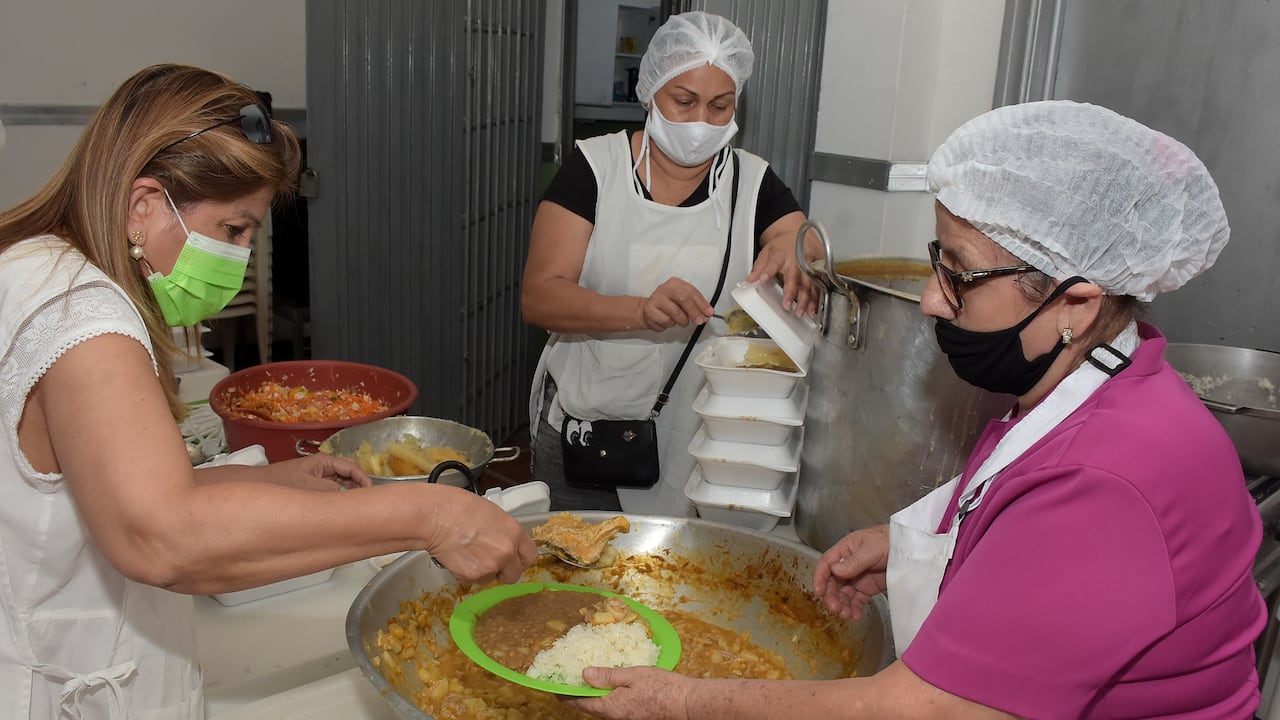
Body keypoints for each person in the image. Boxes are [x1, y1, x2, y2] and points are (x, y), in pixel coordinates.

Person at [564, 101, 1267, 719]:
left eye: (959, 274)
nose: (933, 298)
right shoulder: (1092, 380)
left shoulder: (1112, 478)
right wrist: (911, 549)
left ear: (1075, 302)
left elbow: (922, 709)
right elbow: (1023, 521)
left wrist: (684, 701)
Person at [0, 64, 537, 719]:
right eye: (233, 229)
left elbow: (107, 494)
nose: (243, 255)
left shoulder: (34, 266)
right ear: (144, 205)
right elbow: (162, 538)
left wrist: (279, 481)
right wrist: (430, 514)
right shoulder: (87, 320)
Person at [523, 11, 820, 514]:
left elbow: (801, 237)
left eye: (719, 106)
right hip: (591, 437)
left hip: (701, 443)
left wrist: (796, 250)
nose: (701, 122)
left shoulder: (751, 181)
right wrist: (639, 311)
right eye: (683, 102)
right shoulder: (595, 169)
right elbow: (540, 295)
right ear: (651, 92)